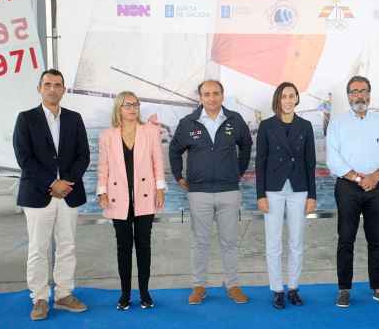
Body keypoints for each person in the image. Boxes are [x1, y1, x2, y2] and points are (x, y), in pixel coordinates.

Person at [13, 69, 90, 320]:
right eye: (48, 84)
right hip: (37, 195)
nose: (53, 89)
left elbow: (83, 155)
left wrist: (66, 182)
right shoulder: (26, 119)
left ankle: (64, 294)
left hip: (69, 193)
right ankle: (39, 298)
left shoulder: (74, 118)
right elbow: (24, 158)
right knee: (38, 248)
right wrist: (51, 183)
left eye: (57, 85)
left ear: (64, 90)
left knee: (67, 246)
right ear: (40, 88)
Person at [169, 80, 253, 305]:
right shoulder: (188, 123)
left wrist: (239, 170)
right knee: (200, 241)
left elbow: (246, 145)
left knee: (230, 241)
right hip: (199, 192)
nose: (212, 98)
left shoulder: (235, 120)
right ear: (201, 97)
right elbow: (175, 150)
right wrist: (179, 176)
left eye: (216, 93)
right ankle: (199, 286)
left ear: (223, 95)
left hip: (229, 190)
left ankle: (233, 284)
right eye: (207, 94)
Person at [326, 75, 379, 308]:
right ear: (348, 96)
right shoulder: (337, 124)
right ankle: (344, 289)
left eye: (363, 91)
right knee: (345, 239)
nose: (359, 95)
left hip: (376, 186)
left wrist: (375, 176)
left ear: (369, 94)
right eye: (354, 91)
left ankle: (378, 288)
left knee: (377, 240)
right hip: (348, 187)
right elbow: (333, 158)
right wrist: (358, 178)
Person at [96, 91, 166, 310]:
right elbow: (103, 166)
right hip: (119, 199)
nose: (133, 109)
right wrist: (102, 191)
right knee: (123, 247)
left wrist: (160, 188)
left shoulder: (151, 131)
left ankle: (145, 293)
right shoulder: (107, 135)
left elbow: (158, 162)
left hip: (145, 196)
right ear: (119, 108)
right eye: (128, 105)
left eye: (136, 104)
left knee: (144, 246)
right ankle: (125, 294)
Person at [255, 82, 317, 309]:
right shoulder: (266, 126)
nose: (288, 100)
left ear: (297, 99)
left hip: (299, 189)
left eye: (292, 96)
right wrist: (260, 194)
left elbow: (310, 163)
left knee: (296, 242)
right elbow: (259, 162)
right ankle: (277, 290)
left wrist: (312, 195)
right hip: (273, 189)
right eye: (284, 96)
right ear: (278, 100)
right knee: (273, 242)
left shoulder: (306, 126)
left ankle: (293, 287)